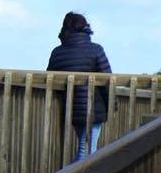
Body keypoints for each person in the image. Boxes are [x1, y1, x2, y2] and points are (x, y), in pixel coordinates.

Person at [47, 12, 113, 162]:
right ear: (85, 28)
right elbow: (108, 80)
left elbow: (50, 80)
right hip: (94, 109)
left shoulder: (57, 53)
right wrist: (112, 104)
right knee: (87, 151)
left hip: (71, 110)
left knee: (85, 148)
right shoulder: (96, 50)